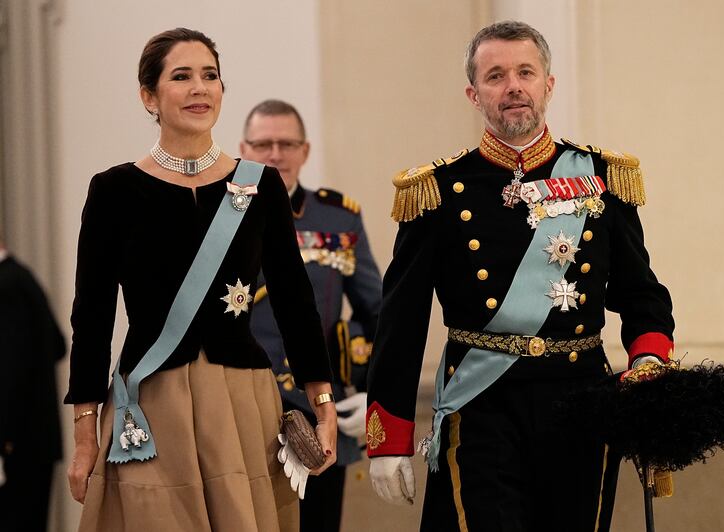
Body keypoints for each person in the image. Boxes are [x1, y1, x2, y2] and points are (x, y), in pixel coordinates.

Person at [366, 20, 674, 531]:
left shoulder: (602, 177)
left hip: (582, 401)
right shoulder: (439, 190)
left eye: (525, 73)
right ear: (474, 94)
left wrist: (648, 362)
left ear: (548, 85)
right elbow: (401, 322)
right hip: (480, 406)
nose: (513, 86)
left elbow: (642, 294)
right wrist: (389, 438)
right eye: (496, 76)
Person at [64, 28, 337, 532]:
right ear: (149, 96)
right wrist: (84, 440)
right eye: (181, 76)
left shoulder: (261, 185)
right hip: (150, 403)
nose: (199, 88)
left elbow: (296, 302)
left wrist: (322, 404)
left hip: (242, 402)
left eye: (210, 76)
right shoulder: (114, 191)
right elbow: (92, 317)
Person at [241, 99, 383, 532]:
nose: (275, 154)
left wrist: (370, 388)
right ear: (243, 151)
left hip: (317, 408)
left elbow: (377, 313)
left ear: (305, 151)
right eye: (263, 144)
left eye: (287, 144)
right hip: (243, 404)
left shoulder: (337, 218)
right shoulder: (219, 218)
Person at [0, 239, 66, 532]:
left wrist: (5, 435)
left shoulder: (6, 285)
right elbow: (58, 345)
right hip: (36, 437)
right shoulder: (22, 277)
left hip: (16, 440)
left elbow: (10, 369)